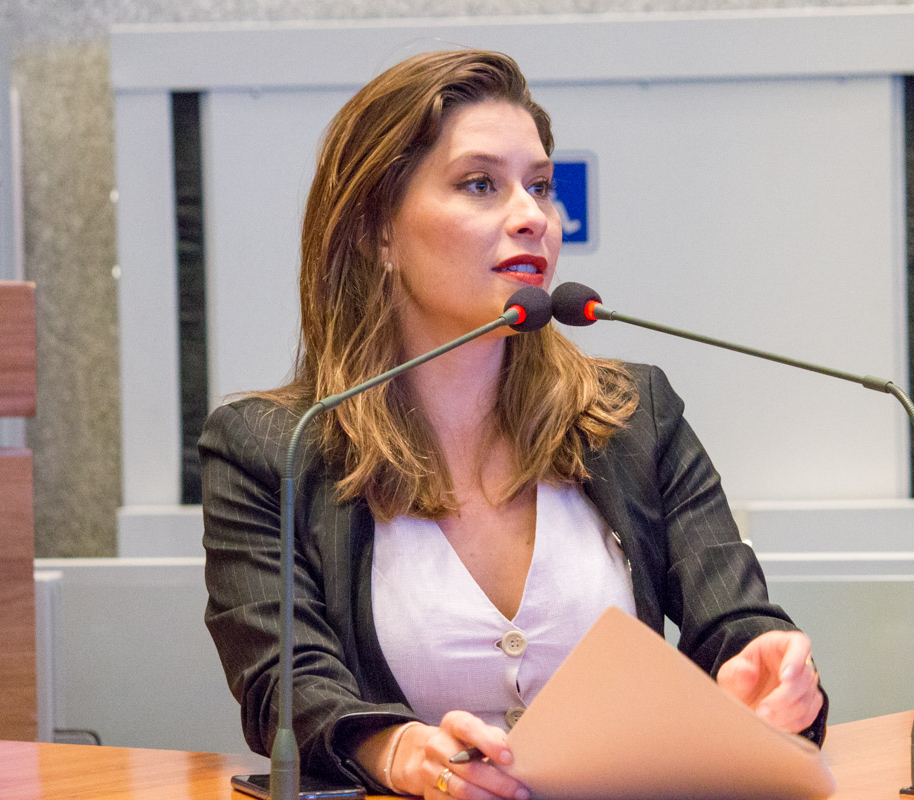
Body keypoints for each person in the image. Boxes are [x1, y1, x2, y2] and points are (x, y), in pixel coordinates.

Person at [200, 48, 827, 799]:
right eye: (480, 185)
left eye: (539, 186)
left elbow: (736, 622)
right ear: (378, 231)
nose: (532, 216)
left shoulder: (635, 415)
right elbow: (284, 684)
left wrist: (767, 674)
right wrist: (397, 751)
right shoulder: (272, 446)